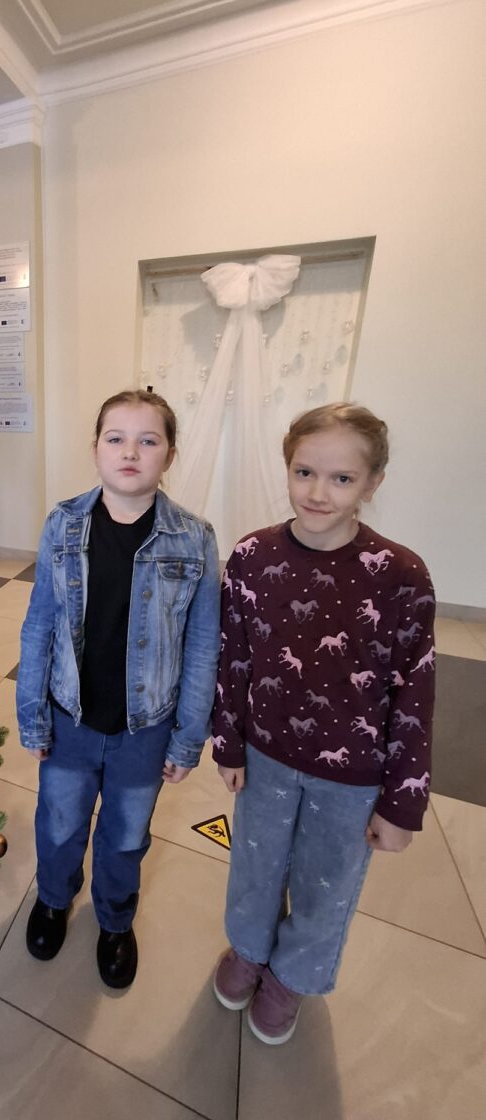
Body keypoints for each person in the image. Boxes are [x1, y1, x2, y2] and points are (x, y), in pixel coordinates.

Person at [211, 403, 436, 1044]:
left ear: (372, 483)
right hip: (265, 757)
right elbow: (234, 655)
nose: (317, 492)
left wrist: (402, 801)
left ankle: (292, 976)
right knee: (254, 865)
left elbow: (415, 690)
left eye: (341, 479)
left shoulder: (401, 576)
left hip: (353, 776)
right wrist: (228, 743)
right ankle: (249, 949)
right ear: (287, 468)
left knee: (326, 882)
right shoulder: (252, 556)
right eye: (304, 472)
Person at [16, 388, 220, 988]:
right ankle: (54, 898)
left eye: (148, 440)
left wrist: (188, 737)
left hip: (145, 728)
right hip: (71, 717)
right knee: (59, 824)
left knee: (126, 835)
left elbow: (202, 645)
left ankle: (114, 919)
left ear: (170, 455)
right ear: (96, 449)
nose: (130, 452)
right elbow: (39, 622)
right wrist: (32, 713)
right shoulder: (63, 522)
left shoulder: (195, 538)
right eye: (116, 438)